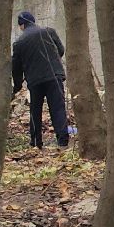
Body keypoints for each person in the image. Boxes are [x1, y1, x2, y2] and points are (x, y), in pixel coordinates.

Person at [11, 10, 70, 150]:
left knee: (35, 110)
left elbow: (16, 68)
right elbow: (60, 50)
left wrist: (17, 85)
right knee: (57, 108)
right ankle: (63, 142)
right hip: (54, 76)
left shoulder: (19, 43)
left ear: (22, 25)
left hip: (35, 81)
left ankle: (36, 142)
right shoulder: (49, 31)